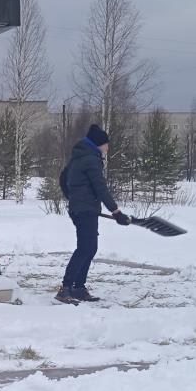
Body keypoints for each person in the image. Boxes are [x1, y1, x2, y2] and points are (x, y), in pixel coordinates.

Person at [56, 125, 131, 305]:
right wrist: (116, 211)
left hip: (81, 209)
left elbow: (63, 177)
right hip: (85, 210)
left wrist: (72, 197)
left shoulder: (78, 157)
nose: (107, 148)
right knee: (85, 248)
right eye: (106, 145)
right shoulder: (91, 159)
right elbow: (100, 187)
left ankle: (79, 288)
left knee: (89, 248)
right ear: (98, 144)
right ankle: (66, 288)